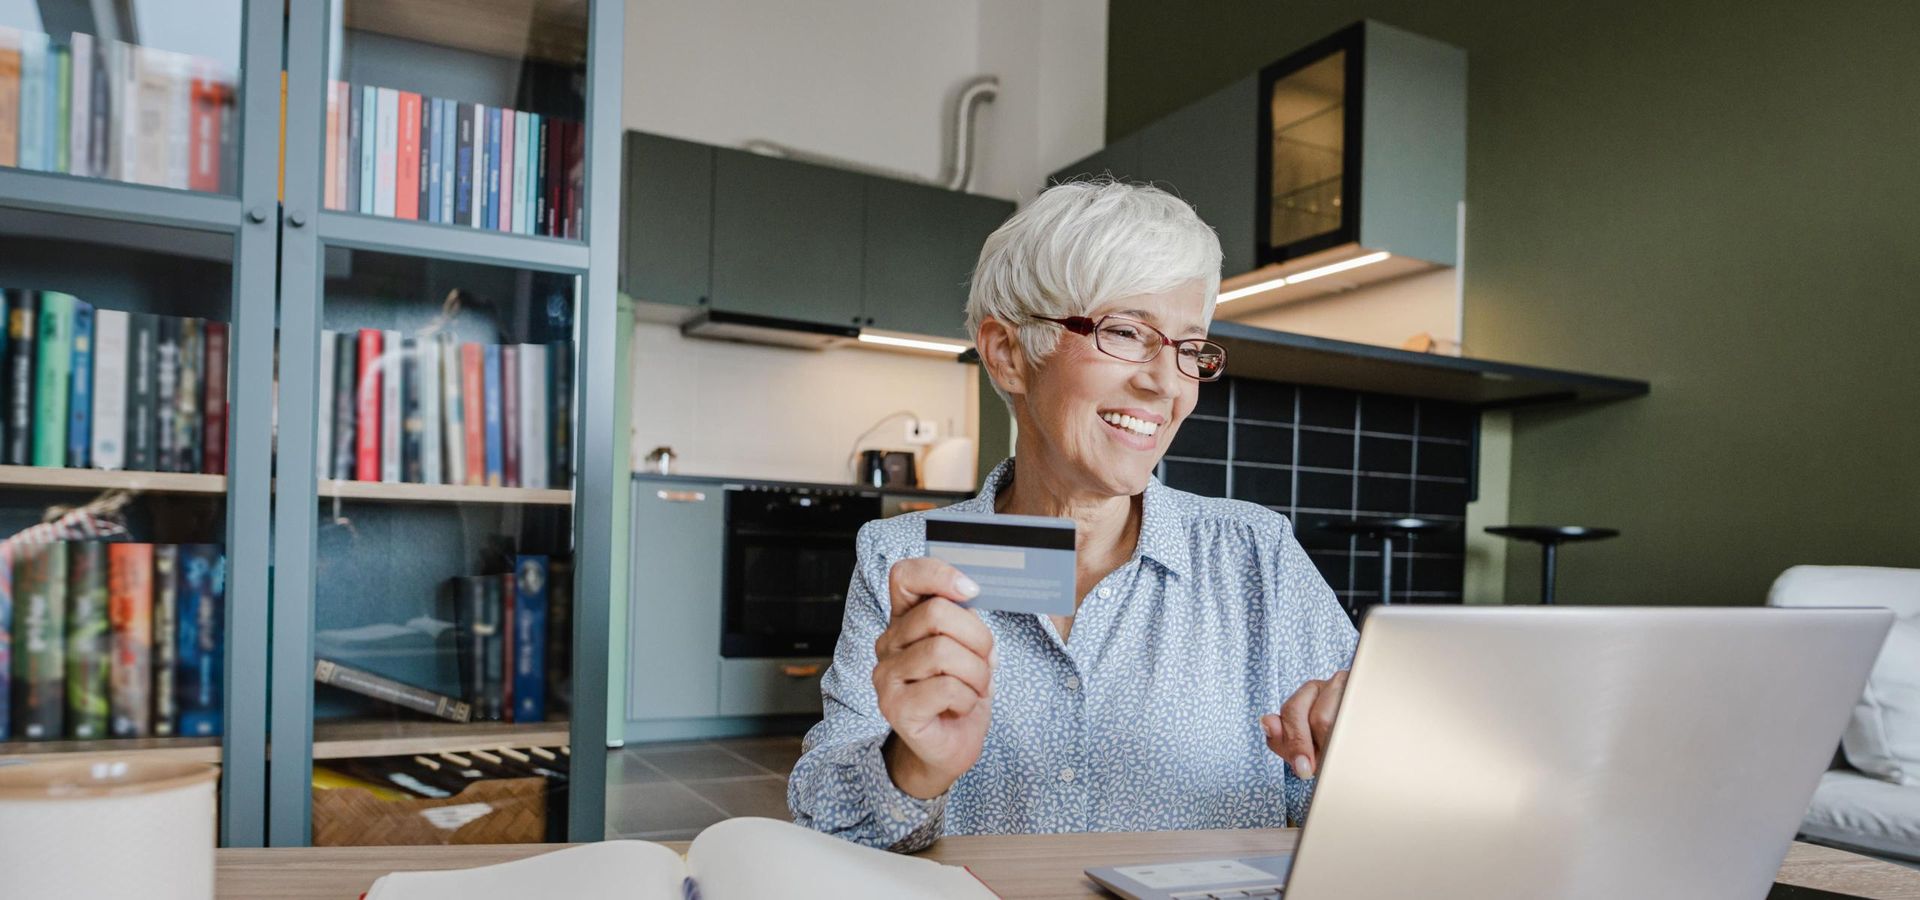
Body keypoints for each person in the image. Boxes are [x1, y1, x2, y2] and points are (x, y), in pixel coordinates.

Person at [788, 180, 1356, 852]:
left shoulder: (1255, 554)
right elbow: (825, 830)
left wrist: (1358, 746)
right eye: (1125, 332)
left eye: (1188, 349)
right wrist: (916, 767)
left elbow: (1378, 805)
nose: (1166, 384)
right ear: (1007, 354)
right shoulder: (904, 557)